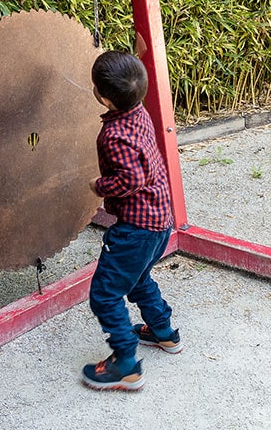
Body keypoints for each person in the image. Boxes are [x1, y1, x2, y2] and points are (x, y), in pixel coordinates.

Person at [81, 50, 182, 392]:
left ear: (104, 98)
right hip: (159, 219)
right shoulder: (140, 112)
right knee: (138, 279)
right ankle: (163, 332)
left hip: (135, 229)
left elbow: (131, 178)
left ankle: (125, 364)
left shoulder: (113, 135)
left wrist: (100, 186)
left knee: (105, 294)